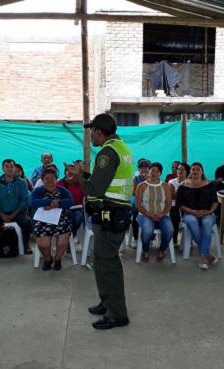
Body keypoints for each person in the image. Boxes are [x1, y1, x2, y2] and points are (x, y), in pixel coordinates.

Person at [69, 113, 134, 330]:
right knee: (102, 261)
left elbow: (95, 188)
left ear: (99, 131)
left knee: (108, 265)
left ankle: (117, 314)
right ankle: (107, 302)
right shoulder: (121, 148)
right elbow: (103, 180)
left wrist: (79, 177)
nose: (90, 137)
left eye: (91, 132)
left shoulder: (107, 152)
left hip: (110, 216)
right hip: (114, 214)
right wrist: (85, 174)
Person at [177, 162, 219, 270]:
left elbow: (215, 202)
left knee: (207, 223)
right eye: (193, 169)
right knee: (192, 222)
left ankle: (202, 255)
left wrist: (209, 211)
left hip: (207, 213)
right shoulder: (183, 185)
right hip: (189, 213)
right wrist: (193, 211)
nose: (195, 171)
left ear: (202, 171)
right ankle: (206, 254)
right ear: (190, 172)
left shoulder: (210, 184)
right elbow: (180, 205)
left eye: (198, 169)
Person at [30, 168, 72, 270]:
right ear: (42, 180)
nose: (49, 180)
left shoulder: (62, 190)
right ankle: (48, 259)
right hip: (42, 219)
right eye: (46, 178)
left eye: (52, 178)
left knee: (63, 240)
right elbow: (33, 202)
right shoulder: (38, 190)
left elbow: (70, 202)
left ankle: (58, 259)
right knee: (43, 243)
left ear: (56, 179)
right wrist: (49, 202)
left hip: (61, 219)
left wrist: (56, 204)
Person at [0, 159, 32, 255]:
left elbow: (24, 200)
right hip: (1, 212)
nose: (9, 169)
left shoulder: (22, 183)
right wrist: (1, 214)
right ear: (2, 169)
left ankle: (25, 244)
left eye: (11, 166)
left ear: (14, 168)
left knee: (27, 222)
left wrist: (13, 214)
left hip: (17, 212)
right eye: (7, 166)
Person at [136, 162, 173, 263]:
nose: (154, 173)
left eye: (157, 171)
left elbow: (169, 204)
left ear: (160, 173)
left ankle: (162, 250)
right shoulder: (141, 186)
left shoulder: (166, 186)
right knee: (148, 230)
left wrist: (162, 214)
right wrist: (149, 215)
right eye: (152, 170)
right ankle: (146, 250)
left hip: (162, 215)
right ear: (149, 171)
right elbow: (138, 205)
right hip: (144, 215)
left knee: (169, 230)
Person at [57, 165, 85, 240]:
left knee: (77, 217)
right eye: (67, 171)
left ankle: (70, 237)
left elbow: (86, 197)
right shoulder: (60, 183)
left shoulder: (81, 183)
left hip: (78, 209)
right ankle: (67, 239)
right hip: (63, 209)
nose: (69, 173)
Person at [168, 162, 190, 246]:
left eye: (182, 169)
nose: (179, 171)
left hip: (187, 206)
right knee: (174, 215)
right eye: (178, 169)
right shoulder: (172, 181)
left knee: (189, 215)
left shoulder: (190, 182)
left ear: (187, 172)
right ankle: (174, 240)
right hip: (174, 205)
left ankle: (188, 240)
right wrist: (183, 187)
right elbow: (173, 196)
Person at [130, 159, 151, 244]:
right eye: (142, 167)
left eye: (146, 168)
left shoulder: (153, 178)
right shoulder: (135, 178)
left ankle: (151, 238)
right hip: (137, 198)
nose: (144, 169)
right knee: (136, 211)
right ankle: (136, 238)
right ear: (139, 169)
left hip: (149, 199)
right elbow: (134, 192)